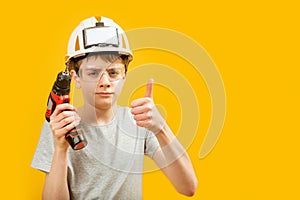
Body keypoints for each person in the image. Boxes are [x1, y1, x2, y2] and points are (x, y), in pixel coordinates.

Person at [31, 16, 198, 200]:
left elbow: (188, 186)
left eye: (113, 73)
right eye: (93, 73)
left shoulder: (139, 123)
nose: (105, 83)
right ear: (76, 78)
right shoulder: (59, 126)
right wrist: (61, 148)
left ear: (124, 76)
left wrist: (161, 128)